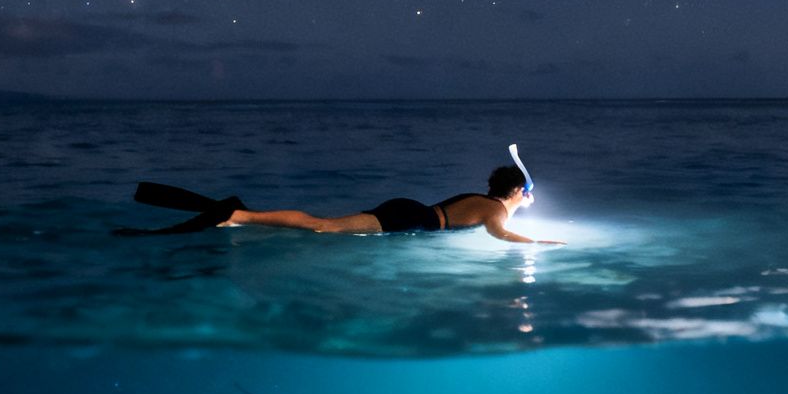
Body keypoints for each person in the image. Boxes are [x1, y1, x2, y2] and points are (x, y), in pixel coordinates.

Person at [119, 164, 562, 243]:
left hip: (412, 211)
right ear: (517, 192)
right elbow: (501, 234)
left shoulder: (483, 200)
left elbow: (499, 215)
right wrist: (541, 244)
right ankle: (239, 214)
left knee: (324, 225)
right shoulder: (495, 210)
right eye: (527, 193)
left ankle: (240, 217)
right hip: (409, 217)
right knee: (323, 227)